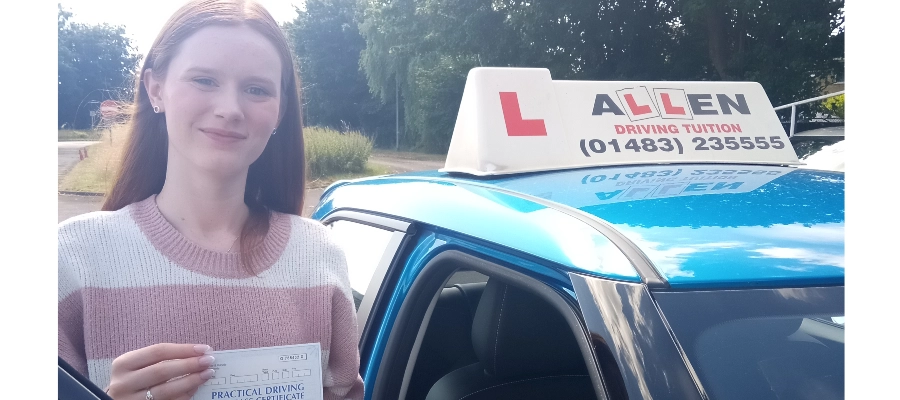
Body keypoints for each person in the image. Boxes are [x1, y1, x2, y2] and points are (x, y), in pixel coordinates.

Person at [57, 1, 364, 399]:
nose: (229, 109)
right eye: (204, 80)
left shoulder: (320, 256)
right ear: (156, 88)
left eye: (256, 89)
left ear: (280, 111)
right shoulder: (71, 259)